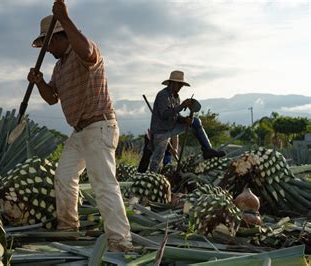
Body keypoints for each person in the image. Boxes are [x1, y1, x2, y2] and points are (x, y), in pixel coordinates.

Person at [27, 1, 133, 252]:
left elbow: (86, 51)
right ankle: (68, 226)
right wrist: (40, 82)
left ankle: (121, 241)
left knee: (103, 184)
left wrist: (64, 17)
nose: (48, 49)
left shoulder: (84, 52)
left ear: (61, 37)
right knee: (64, 176)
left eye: (49, 43)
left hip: (99, 126)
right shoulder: (59, 66)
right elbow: (52, 98)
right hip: (79, 131)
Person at [149, 70, 225, 172]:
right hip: (160, 132)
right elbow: (164, 114)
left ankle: (207, 149)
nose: (180, 87)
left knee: (195, 121)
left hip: (170, 129)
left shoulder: (176, 97)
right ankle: (152, 178)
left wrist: (184, 120)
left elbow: (175, 116)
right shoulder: (162, 95)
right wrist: (182, 106)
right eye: (179, 84)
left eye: (181, 85)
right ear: (172, 83)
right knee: (157, 161)